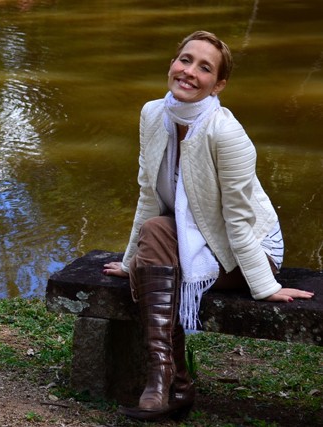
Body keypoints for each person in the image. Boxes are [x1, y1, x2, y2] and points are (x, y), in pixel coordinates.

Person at [102, 30, 314, 421]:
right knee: (154, 238)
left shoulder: (227, 134)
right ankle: (170, 380)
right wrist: (132, 261)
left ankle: (170, 384)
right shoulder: (153, 114)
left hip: (247, 248)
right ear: (172, 64)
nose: (189, 72)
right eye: (185, 60)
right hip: (185, 238)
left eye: (204, 68)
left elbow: (238, 219)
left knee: (159, 274)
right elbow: (149, 195)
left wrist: (264, 286)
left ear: (218, 85)